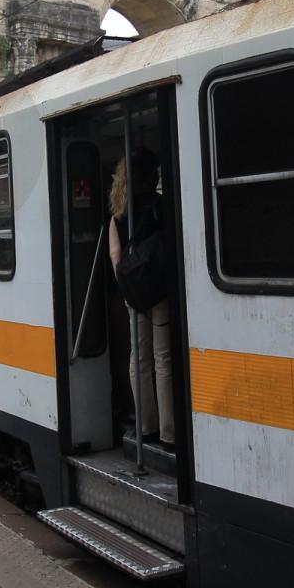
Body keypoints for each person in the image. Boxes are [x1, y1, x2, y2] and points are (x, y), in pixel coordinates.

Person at [108, 148, 175, 449]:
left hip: (133, 294)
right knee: (164, 359)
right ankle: (169, 432)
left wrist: (128, 289)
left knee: (139, 360)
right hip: (160, 291)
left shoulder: (118, 214)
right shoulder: (161, 206)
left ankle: (145, 427)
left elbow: (115, 256)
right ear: (151, 176)